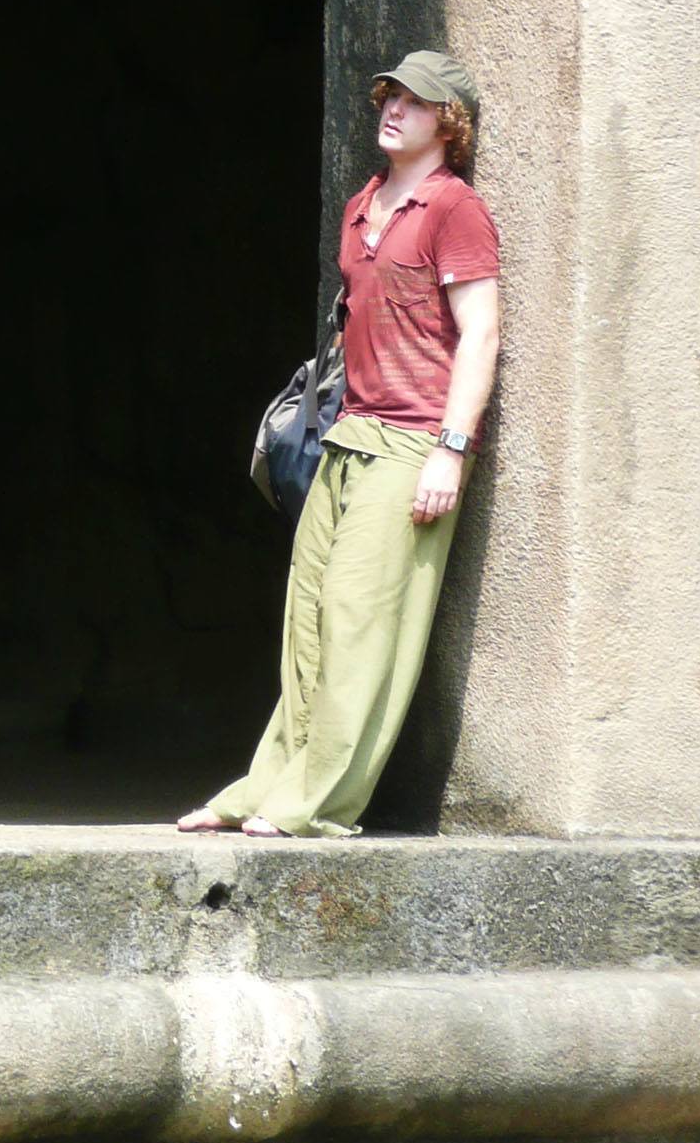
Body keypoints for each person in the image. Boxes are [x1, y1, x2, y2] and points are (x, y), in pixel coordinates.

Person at [178, 51, 500, 839]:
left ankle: (318, 803)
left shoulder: (455, 208)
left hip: (411, 443)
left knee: (360, 622)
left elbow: (482, 331)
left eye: (414, 102)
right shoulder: (364, 205)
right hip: (349, 433)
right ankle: (267, 787)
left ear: (448, 124)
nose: (392, 109)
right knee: (310, 622)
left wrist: (451, 449)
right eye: (388, 95)